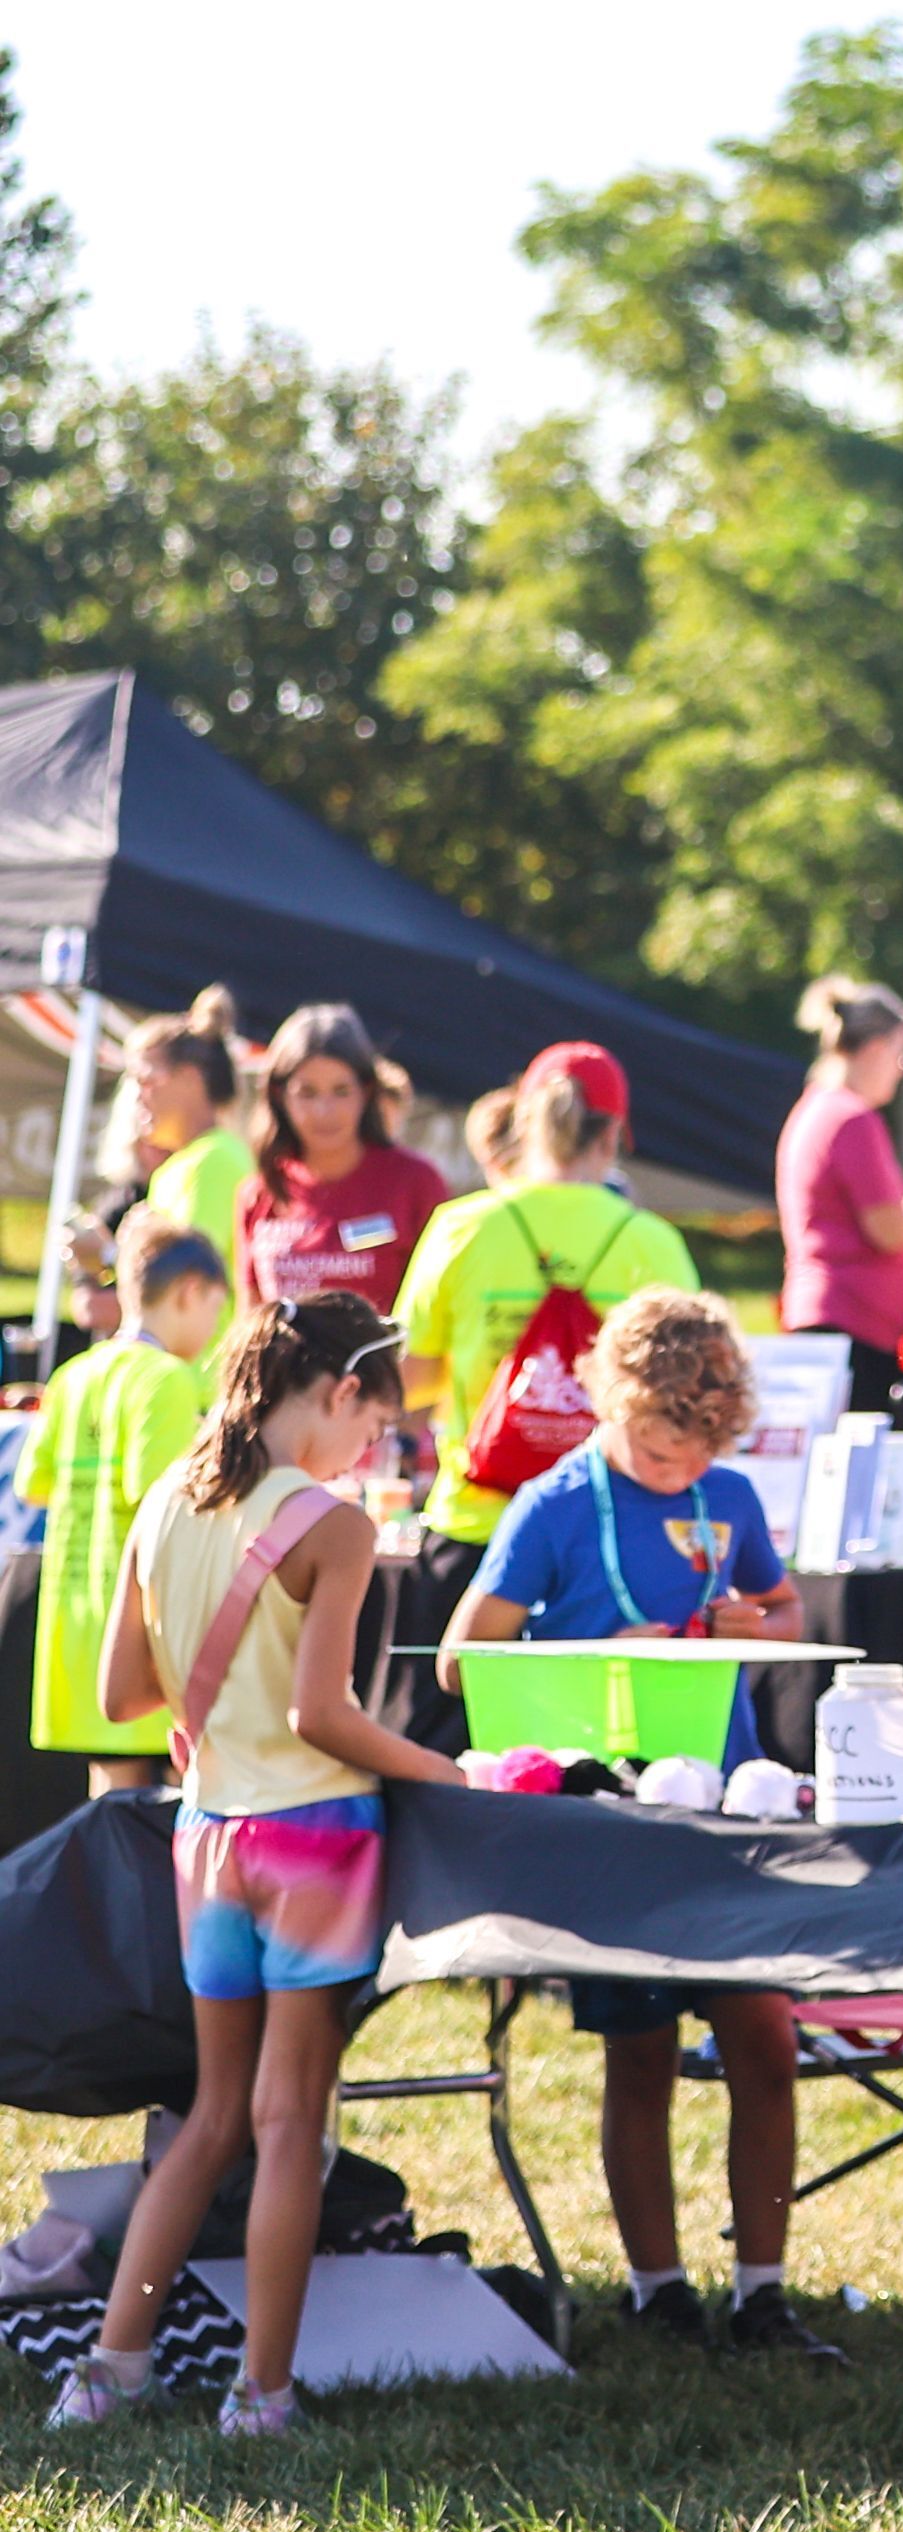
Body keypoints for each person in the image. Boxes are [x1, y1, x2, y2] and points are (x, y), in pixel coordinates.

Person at [52, 1291, 468, 2436]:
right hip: (315, 1838)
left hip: (209, 1833)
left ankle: (111, 2364)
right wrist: (442, 1774)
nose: (370, 1454)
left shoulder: (168, 1502)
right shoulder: (331, 1523)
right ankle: (261, 2390)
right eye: (376, 1429)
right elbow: (325, 1713)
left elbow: (120, 1699)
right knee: (291, 2121)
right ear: (341, 1394)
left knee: (210, 2118)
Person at [448, 1289, 844, 2365]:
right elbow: (458, 1657)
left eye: (701, 1449)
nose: (681, 1469)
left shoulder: (730, 1493)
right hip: (612, 1822)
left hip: (726, 1809)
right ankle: (656, 2285)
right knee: (641, 2050)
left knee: (765, 2034)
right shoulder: (553, 1504)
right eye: (667, 1444)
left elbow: (788, 1611)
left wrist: (749, 1623)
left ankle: (762, 2291)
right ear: (618, 1397)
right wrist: (588, 1658)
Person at [395, 1043, 699, 1559]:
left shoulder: (461, 1228)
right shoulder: (653, 1242)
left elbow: (407, 1380)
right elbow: (688, 1396)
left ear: (525, 1125)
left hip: (479, 1524)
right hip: (608, 1533)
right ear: (611, 1136)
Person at [23, 1227, 227, 1793]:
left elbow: (32, 1483)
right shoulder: (167, 1377)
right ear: (190, 1292)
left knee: (109, 1799)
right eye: (216, 1307)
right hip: (140, 1622)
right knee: (160, 1809)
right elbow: (161, 1499)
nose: (215, 1330)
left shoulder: (74, 1374)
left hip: (73, 1615)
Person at [780, 976, 903, 1421]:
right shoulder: (850, 1118)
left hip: (834, 1320)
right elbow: (888, 1229)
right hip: (848, 1323)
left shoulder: (818, 1107)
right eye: (900, 1055)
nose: (901, 1068)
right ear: (874, 1049)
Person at [228, 1005, 448, 1316]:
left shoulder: (415, 1182)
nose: (324, 1111)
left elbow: (441, 1313)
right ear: (278, 1095)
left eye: (341, 1091)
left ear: (367, 1091)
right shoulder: (259, 1194)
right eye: (307, 1092)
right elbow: (248, 1322)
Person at [111, 1012, 253, 1273]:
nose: (136, 1097)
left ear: (190, 1079)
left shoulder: (214, 1160)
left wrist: (109, 1253)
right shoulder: (174, 1168)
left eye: (147, 1081)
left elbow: (187, 1279)